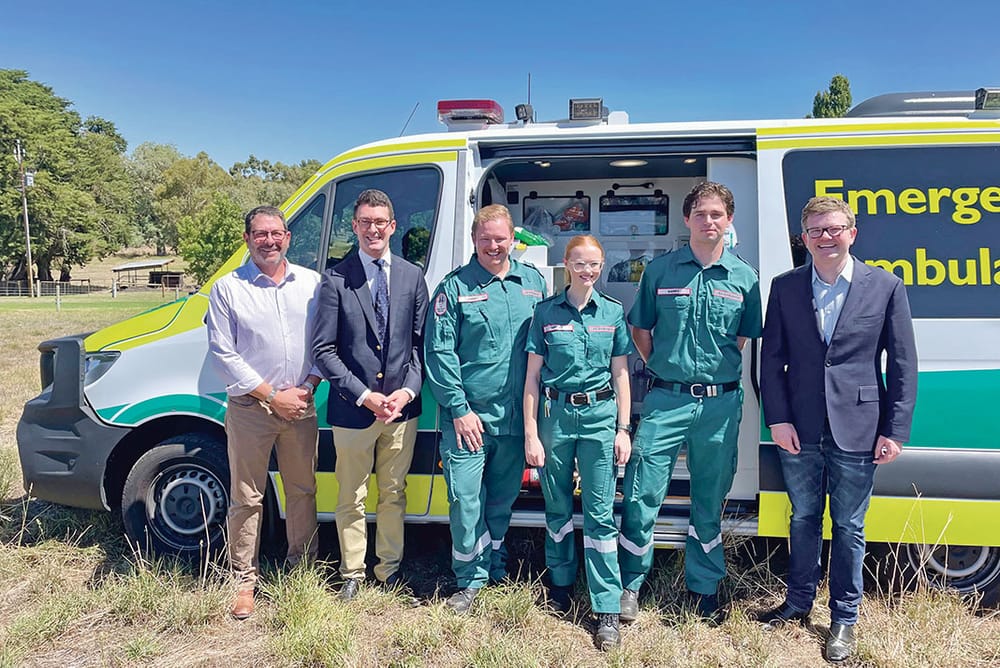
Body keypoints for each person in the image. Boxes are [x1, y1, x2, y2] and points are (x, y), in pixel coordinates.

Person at [758, 196, 917, 662]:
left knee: (848, 525)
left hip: (860, 426)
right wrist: (778, 418)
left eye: (834, 229)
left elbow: (903, 363)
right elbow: (772, 360)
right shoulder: (785, 287)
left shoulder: (885, 286)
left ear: (852, 232)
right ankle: (798, 602)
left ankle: (844, 619)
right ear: (803, 238)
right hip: (800, 429)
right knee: (803, 518)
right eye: (815, 231)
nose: (825, 238)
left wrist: (895, 429)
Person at [618, 182, 762, 622]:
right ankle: (629, 585)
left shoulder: (744, 278)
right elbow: (640, 330)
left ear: (729, 220)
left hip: (719, 406)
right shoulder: (660, 272)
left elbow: (740, 340)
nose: (709, 221)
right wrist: (664, 366)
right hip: (666, 399)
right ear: (688, 220)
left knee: (708, 497)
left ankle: (704, 588)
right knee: (642, 493)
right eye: (701, 214)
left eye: (717, 214)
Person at [424, 204, 547, 615]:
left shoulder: (532, 283)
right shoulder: (454, 288)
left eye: (501, 239)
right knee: (466, 501)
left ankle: (494, 566)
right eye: (485, 239)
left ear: (514, 240)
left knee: (501, 500)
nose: (494, 246)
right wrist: (459, 409)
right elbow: (439, 354)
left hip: (514, 419)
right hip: (468, 420)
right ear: (474, 241)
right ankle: (469, 578)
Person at [206, 205, 322, 620]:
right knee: (247, 497)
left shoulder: (312, 284)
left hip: (302, 405)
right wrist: (273, 396)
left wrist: (306, 387)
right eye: (260, 234)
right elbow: (224, 353)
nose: (268, 240)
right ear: (247, 239)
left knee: (303, 491)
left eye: (276, 233)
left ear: (288, 237)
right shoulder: (227, 289)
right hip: (251, 407)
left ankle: (303, 569)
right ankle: (243, 581)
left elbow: (323, 344)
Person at [312, 189, 429, 600]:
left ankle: (389, 569)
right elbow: (323, 351)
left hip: (401, 412)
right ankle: (352, 573)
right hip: (352, 411)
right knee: (351, 496)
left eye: (381, 221)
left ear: (392, 226)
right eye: (365, 221)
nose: (373, 229)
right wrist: (364, 396)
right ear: (355, 227)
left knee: (394, 493)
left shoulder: (413, 276)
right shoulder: (336, 279)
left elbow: (419, 346)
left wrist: (406, 392)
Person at [523, 234, 633, 651]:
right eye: (581, 263)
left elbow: (621, 374)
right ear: (566, 264)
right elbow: (532, 378)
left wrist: (624, 429)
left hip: (600, 418)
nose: (588, 271)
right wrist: (532, 433)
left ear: (601, 267)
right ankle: (561, 584)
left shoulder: (613, 312)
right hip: (555, 416)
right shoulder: (545, 313)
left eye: (595, 264)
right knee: (557, 507)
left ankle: (605, 606)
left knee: (600, 513)